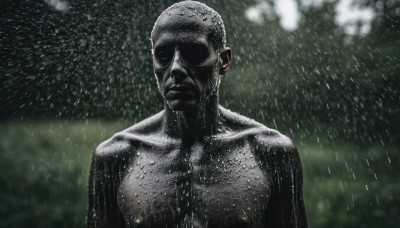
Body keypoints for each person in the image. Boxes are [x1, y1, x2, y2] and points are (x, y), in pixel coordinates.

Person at [87, 1, 307, 227]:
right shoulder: (116, 157)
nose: (175, 68)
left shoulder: (270, 152)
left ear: (223, 60)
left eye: (193, 52)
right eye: (163, 55)